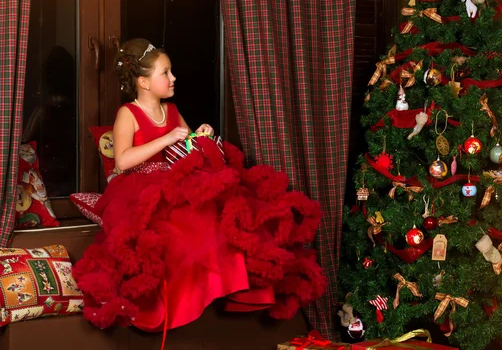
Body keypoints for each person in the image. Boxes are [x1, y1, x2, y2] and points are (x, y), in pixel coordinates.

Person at [73, 39, 326, 334]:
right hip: (139, 186)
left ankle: (234, 289)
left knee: (222, 212)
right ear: (143, 82)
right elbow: (123, 160)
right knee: (182, 226)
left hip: (175, 180)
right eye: (165, 73)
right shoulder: (128, 113)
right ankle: (183, 302)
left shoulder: (173, 109)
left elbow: (189, 147)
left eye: (171, 72)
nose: (173, 78)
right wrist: (166, 139)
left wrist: (200, 136)